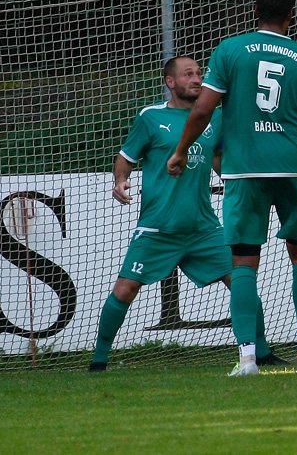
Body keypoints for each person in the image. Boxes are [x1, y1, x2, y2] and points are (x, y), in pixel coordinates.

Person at [166, 0, 297, 377]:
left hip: (244, 169)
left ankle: (247, 360)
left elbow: (204, 109)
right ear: (292, 15)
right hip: (294, 167)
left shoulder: (230, 50)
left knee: (243, 261)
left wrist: (182, 149)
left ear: (254, 10)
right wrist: (292, 145)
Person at [90, 56, 285, 372]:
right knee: (125, 290)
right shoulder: (151, 118)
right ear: (170, 82)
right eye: (188, 74)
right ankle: (98, 361)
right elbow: (125, 158)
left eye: (199, 73)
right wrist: (120, 180)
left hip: (203, 228)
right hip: (157, 227)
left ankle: (261, 352)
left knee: (242, 281)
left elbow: (219, 156)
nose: (196, 78)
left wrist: (243, 185)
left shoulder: (214, 118)